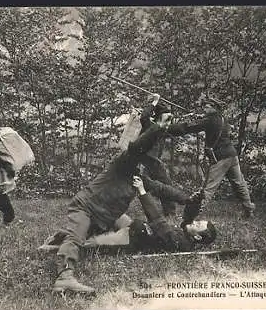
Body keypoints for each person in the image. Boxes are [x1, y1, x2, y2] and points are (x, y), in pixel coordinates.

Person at [44, 112, 177, 294]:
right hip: (86, 207)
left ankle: (56, 240)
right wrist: (159, 126)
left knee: (81, 235)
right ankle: (64, 278)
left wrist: (190, 198)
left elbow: (163, 189)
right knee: (76, 237)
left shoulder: (138, 174)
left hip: (102, 217)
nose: (150, 162)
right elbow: (138, 147)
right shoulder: (124, 161)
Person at [40, 175, 215, 259]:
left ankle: (52, 249)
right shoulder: (187, 233)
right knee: (105, 213)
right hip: (132, 225)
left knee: (91, 244)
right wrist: (195, 200)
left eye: (199, 224)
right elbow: (188, 217)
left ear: (198, 236)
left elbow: (158, 220)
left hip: (131, 238)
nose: (195, 221)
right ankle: (66, 234)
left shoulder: (181, 243)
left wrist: (142, 192)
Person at [167, 96, 255, 218]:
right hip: (232, 155)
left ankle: (191, 216)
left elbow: (188, 127)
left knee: (208, 188)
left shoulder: (209, 120)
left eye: (206, 107)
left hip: (221, 158)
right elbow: (211, 125)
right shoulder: (222, 118)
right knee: (239, 184)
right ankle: (249, 210)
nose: (204, 108)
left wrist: (168, 128)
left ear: (214, 108)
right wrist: (202, 118)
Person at [138, 93, 177, 216]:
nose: (168, 121)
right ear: (159, 117)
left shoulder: (164, 128)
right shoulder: (149, 125)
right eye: (166, 118)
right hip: (145, 161)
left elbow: (180, 127)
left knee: (165, 186)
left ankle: (169, 213)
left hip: (153, 162)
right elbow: (144, 116)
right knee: (130, 187)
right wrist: (154, 102)